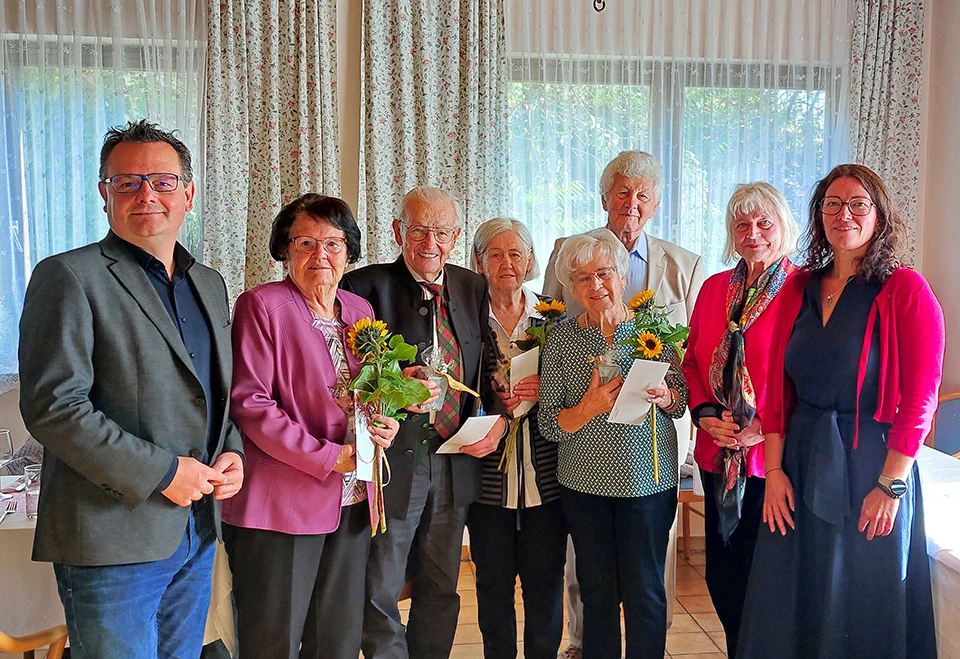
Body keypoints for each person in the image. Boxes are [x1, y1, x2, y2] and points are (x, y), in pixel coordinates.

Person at [18, 119, 244, 658]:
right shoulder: (68, 276)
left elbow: (213, 392)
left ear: (188, 193)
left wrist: (231, 449)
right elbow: (55, 409)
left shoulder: (210, 283)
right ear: (105, 195)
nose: (147, 195)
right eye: (127, 183)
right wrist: (164, 472)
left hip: (195, 529)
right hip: (110, 537)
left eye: (163, 182)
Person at [737, 164, 943, 658]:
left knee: (861, 600)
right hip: (802, 462)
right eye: (831, 204)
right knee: (790, 596)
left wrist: (890, 486)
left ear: (879, 215)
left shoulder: (905, 290)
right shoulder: (799, 286)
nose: (843, 214)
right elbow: (776, 389)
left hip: (871, 466)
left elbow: (921, 399)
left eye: (857, 204)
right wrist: (776, 471)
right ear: (818, 215)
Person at [542, 151, 706, 658]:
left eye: (606, 275)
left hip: (647, 476)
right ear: (573, 285)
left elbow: (681, 397)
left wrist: (668, 394)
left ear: (622, 278)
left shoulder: (652, 333)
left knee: (645, 589)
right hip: (584, 480)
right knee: (595, 590)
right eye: (585, 279)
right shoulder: (563, 340)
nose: (597, 285)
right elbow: (550, 420)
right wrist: (588, 407)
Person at [222, 194, 401, 658]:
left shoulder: (359, 310)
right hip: (282, 504)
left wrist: (384, 425)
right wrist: (331, 456)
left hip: (352, 497)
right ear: (285, 249)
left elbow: (371, 391)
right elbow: (251, 404)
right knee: (273, 639)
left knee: (337, 637)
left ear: (349, 251)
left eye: (333, 243)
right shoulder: (261, 306)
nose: (320, 255)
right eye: (306, 242)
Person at [341, 187, 504, 659]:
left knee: (442, 583)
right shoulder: (363, 286)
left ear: (455, 237)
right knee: (382, 582)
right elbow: (345, 376)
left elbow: (484, 363)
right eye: (419, 230)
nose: (430, 242)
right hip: (394, 459)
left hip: (455, 459)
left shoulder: (472, 286)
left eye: (441, 232)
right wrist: (396, 384)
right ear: (398, 232)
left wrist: (495, 423)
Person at [681, 182, 800, 657]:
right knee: (723, 575)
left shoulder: (802, 289)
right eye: (742, 224)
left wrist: (763, 427)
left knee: (763, 580)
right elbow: (690, 362)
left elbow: (806, 378)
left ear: (782, 228)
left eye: (763, 223)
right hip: (718, 457)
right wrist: (705, 415)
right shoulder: (714, 289)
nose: (753, 233)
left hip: (773, 462)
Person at [469, 218, 567, 659]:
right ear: (479, 262)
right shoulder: (464, 316)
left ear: (529, 260)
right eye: (495, 254)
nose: (506, 263)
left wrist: (547, 390)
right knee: (492, 586)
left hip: (547, 477)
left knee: (545, 585)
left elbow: (575, 384)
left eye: (515, 254)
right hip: (487, 481)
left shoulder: (556, 316)